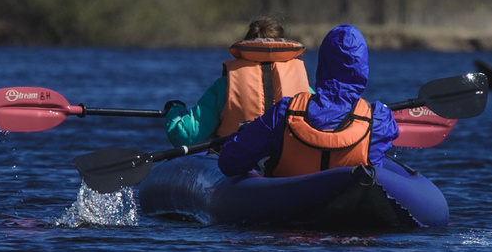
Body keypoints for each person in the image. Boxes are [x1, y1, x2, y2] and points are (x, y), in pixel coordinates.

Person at [216, 24, 398, 179]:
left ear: (323, 64)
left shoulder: (284, 112)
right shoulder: (379, 120)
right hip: (352, 205)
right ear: (363, 67)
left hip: (289, 205)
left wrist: (244, 133)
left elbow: (228, 162)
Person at [162, 19, 311, 149]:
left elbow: (186, 137)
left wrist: (175, 109)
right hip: (288, 166)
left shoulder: (225, 86)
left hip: (238, 165)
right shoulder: (305, 88)